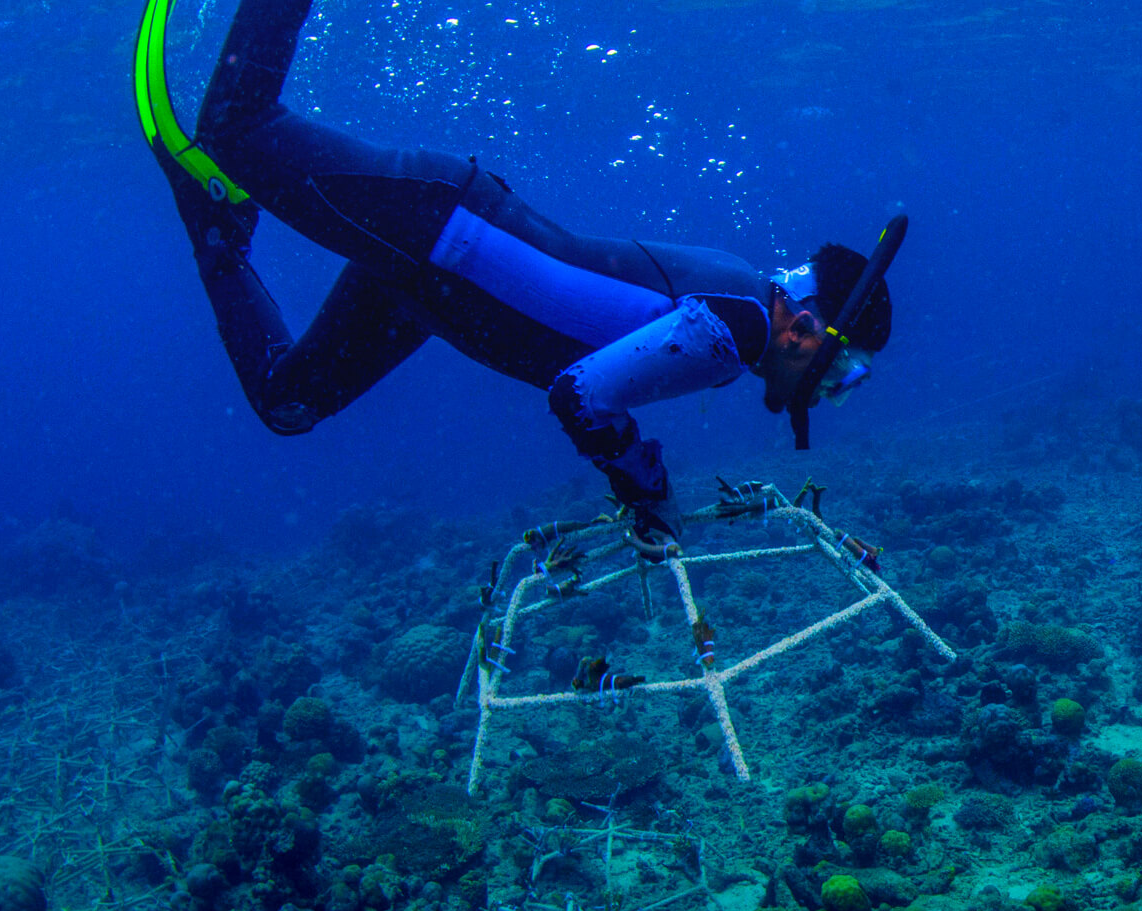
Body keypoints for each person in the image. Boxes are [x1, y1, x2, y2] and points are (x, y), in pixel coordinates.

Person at [133, 0, 902, 546]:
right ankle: (217, 192)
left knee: (289, 401)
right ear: (807, 328)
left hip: (432, 283)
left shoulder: (744, 310)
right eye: (845, 374)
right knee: (238, 128)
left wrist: (637, 479)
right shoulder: (737, 332)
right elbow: (580, 394)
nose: (833, 393)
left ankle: (216, 225)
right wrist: (646, 487)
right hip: (440, 238)